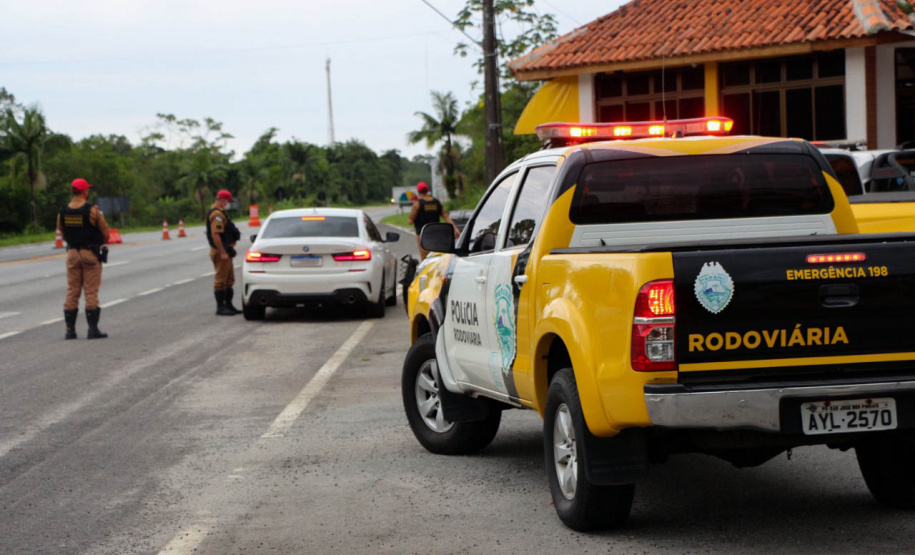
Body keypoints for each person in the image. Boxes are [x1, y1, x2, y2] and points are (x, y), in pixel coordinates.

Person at [58, 177, 110, 339]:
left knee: (72, 290)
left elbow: (62, 232)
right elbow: (106, 234)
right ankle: (93, 330)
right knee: (91, 291)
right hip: (89, 254)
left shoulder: (63, 211)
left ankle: (70, 331)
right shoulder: (92, 210)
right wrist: (95, 244)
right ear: (85, 191)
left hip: (72, 254)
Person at [207, 189, 242, 316]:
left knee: (229, 279)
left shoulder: (221, 213)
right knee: (221, 280)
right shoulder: (217, 215)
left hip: (226, 249)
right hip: (220, 251)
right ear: (222, 200)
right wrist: (222, 252)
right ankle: (220, 307)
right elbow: (216, 235)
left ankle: (229, 305)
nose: (228, 204)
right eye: (227, 201)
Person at [408, 182, 459, 260]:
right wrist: (455, 229)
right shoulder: (436, 202)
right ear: (427, 190)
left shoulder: (417, 204)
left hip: (423, 235)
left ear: (418, 191)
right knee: (436, 257)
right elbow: (446, 216)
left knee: (425, 258)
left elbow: (410, 221)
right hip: (436, 235)